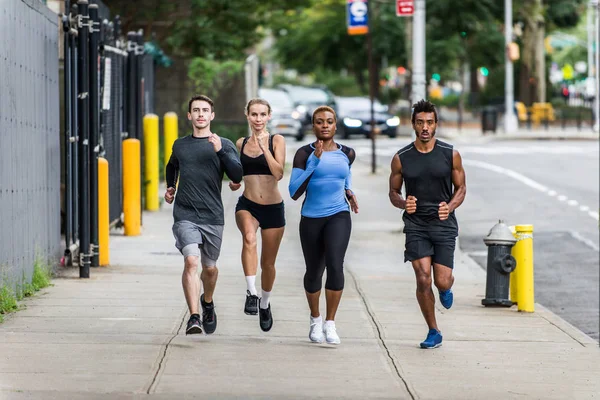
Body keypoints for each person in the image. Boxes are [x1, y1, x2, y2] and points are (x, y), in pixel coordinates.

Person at [388, 99, 466, 349]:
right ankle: (434, 330)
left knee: (441, 281)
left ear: (436, 125)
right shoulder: (401, 158)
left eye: (429, 122)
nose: (425, 127)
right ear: (412, 124)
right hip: (416, 225)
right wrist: (403, 203)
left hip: (443, 225)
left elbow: (461, 188)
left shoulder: (450, 154)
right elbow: (393, 191)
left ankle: (445, 288)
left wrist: (450, 206)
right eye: (420, 122)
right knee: (423, 279)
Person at [164, 94, 243, 335]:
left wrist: (220, 151)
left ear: (212, 115)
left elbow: (237, 175)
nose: (200, 114)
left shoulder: (224, 143)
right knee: (191, 261)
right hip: (185, 213)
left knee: (209, 269)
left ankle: (207, 301)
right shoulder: (180, 145)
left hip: (212, 216)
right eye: (196, 110)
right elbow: (172, 166)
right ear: (189, 116)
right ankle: (195, 316)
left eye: (205, 110)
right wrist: (171, 187)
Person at [288, 106, 359, 345]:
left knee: (335, 265)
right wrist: (314, 162)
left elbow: (345, 176)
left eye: (329, 121)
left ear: (336, 125)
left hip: (338, 214)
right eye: (320, 122)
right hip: (311, 218)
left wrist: (349, 191)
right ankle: (315, 319)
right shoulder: (302, 153)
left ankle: (330, 323)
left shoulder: (347, 153)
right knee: (313, 272)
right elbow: (294, 192)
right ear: (313, 126)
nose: (325, 125)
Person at [229, 98, 286, 332]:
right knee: (249, 238)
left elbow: (279, 173)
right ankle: (251, 292)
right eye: (254, 114)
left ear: (269, 116)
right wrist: (235, 183)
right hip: (248, 204)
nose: (258, 119)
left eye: (263, 115)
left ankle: (264, 303)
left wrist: (264, 148)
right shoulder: (240, 143)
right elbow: (238, 175)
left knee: (268, 264)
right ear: (247, 116)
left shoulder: (277, 140)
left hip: (273, 207)